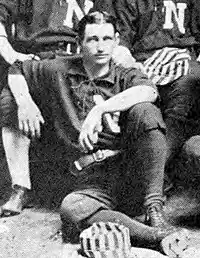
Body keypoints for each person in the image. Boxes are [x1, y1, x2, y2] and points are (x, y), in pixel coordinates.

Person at [7, 11, 189, 255]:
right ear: (80, 43)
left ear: (116, 41)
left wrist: (101, 109)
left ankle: (155, 211)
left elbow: (149, 92)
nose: (101, 46)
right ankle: (156, 237)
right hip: (91, 179)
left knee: (145, 111)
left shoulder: (124, 74)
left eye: (106, 39)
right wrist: (24, 101)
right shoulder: (59, 70)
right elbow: (17, 68)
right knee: (71, 208)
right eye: (92, 39)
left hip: (132, 173)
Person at [0, 0, 128, 216]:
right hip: (37, 57)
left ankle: (101, 182)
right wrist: (11, 54)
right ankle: (20, 187)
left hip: (80, 58)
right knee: (10, 100)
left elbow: (114, 28)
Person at [111, 0, 200, 186]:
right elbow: (122, 43)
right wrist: (130, 63)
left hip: (186, 61)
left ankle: (153, 174)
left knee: (190, 83)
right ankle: (153, 176)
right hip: (145, 62)